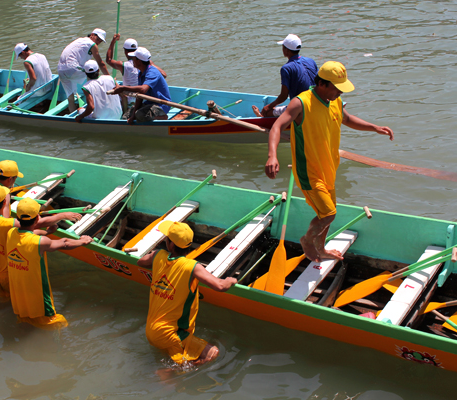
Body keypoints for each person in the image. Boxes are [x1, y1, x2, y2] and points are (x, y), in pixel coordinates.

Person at [265, 61, 394, 262]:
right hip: (308, 171)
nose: (340, 93)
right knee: (329, 214)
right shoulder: (301, 103)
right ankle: (307, 241)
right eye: (337, 88)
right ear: (323, 84)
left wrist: (374, 127)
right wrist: (272, 155)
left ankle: (321, 248)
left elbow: (347, 119)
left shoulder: (335, 101)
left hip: (329, 169)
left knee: (326, 214)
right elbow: (276, 126)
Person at [137, 221, 236, 367]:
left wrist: (157, 258)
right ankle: (171, 371)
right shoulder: (192, 267)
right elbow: (220, 286)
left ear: (170, 245)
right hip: (169, 333)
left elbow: (141, 262)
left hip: (151, 330)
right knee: (213, 353)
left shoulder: (158, 255)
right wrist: (231, 280)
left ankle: (176, 364)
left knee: (183, 351)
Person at [0, 183, 83, 299]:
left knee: (5, 303)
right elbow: (36, 224)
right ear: (5, 202)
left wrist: (46, 233)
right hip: (9, 275)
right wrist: (61, 216)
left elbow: (11, 222)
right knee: (18, 302)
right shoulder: (7, 225)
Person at [6, 197, 92, 329]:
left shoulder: (10, 233)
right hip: (38, 297)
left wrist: (47, 232)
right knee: (54, 325)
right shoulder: (40, 242)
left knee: (27, 322)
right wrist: (83, 241)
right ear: (37, 218)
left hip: (19, 296)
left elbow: (28, 233)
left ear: (18, 217)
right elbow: (64, 243)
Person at [253, 34, 318, 118]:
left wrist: (268, 107)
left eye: (283, 47)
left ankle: (261, 115)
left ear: (286, 50)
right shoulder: (311, 61)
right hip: (315, 103)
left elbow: (283, 96)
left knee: (269, 112)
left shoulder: (286, 68)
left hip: (301, 107)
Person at [109, 47, 171, 124]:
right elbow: (140, 95)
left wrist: (123, 88)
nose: (132, 61)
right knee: (126, 115)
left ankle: (162, 117)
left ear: (139, 61)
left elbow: (143, 89)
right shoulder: (141, 73)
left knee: (140, 115)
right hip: (149, 103)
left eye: (134, 59)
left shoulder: (152, 72)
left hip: (161, 105)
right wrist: (132, 116)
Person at [105, 34, 167, 111]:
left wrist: (113, 42)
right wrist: (151, 64)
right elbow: (164, 75)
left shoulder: (123, 65)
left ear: (125, 51)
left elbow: (108, 60)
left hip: (131, 100)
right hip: (142, 98)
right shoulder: (147, 64)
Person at [57, 28, 110, 112]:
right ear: (92, 35)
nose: (98, 42)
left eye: (100, 41)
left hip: (60, 70)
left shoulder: (80, 40)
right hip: (72, 69)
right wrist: (109, 79)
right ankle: (98, 106)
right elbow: (101, 63)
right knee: (93, 77)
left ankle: (72, 118)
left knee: (70, 98)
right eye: (98, 39)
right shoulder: (92, 45)